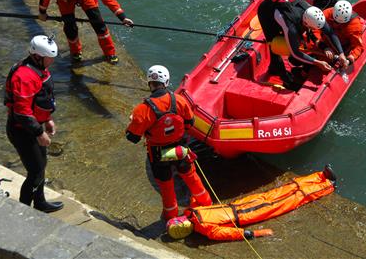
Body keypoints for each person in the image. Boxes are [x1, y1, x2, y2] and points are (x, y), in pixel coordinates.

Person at [125, 65, 212, 220]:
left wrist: (132, 122)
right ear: (166, 81)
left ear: (149, 83)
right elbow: (190, 122)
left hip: (158, 155)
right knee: (191, 177)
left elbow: (132, 137)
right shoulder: (179, 100)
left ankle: (170, 215)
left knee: (166, 186)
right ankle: (206, 204)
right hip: (180, 149)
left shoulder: (142, 110)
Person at [166, 165, 337, 240]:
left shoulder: (192, 212)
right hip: (246, 214)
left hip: (240, 205)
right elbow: (232, 234)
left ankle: (319, 176)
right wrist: (257, 233)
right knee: (288, 199)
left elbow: (195, 199)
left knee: (277, 192)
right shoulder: (205, 228)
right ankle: (328, 185)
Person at [4, 35, 63, 213]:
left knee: (41, 166)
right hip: (22, 131)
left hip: (34, 126)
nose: (52, 61)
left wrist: (48, 120)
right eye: (49, 58)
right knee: (35, 171)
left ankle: (40, 203)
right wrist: (39, 132)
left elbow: (39, 102)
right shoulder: (24, 76)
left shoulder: (39, 69)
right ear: (38, 56)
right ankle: (24, 209)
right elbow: (22, 112)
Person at [38, 0, 134, 64]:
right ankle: (76, 52)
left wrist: (122, 17)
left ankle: (110, 53)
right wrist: (42, 12)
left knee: (99, 25)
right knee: (70, 27)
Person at [257, 0, 344, 89]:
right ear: (306, 23)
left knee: (298, 38)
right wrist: (317, 63)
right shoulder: (291, 27)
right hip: (267, 13)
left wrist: (341, 53)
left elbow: (330, 32)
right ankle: (282, 74)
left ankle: (274, 66)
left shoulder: (314, 14)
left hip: (288, 7)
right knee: (276, 45)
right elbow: (295, 53)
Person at [321, 0, 364, 65]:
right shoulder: (327, 13)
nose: (336, 25)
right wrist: (323, 46)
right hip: (325, 41)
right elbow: (315, 30)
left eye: (339, 23)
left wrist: (349, 60)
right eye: (335, 21)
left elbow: (358, 46)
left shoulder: (355, 26)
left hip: (343, 46)